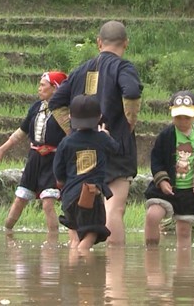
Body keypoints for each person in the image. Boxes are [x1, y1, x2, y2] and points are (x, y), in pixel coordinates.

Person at [48, 20, 143, 247]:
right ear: (125, 44)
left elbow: (56, 102)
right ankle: (114, 275)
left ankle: (79, 263)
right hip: (115, 145)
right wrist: (130, 121)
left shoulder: (81, 69)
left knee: (83, 205)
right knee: (114, 208)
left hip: (81, 150)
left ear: (99, 42)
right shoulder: (123, 67)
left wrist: (72, 131)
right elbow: (131, 91)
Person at [0, 71, 68, 239]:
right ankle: (7, 234)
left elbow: (72, 137)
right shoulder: (36, 107)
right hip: (34, 159)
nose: (39, 89)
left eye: (43, 85)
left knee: (48, 203)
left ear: (55, 88)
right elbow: (21, 132)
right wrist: (3, 149)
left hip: (54, 161)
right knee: (20, 199)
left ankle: (52, 244)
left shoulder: (64, 112)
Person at [144, 91, 194, 249]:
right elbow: (156, 159)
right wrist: (162, 181)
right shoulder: (166, 136)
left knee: (184, 232)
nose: (183, 121)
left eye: (187, 117)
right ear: (171, 114)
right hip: (167, 189)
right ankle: (151, 256)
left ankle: (183, 270)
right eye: (178, 117)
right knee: (152, 216)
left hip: (190, 193)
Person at [54, 95, 120, 250]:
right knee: (92, 234)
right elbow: (116, 150)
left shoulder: (66, 142)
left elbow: (58, 171)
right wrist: (106, 135)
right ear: (99, 117)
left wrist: (63, 183)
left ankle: (73, 270)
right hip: (90, 195)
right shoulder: (102, 139)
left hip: (69, 197)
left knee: (75, 239)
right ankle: (84, 267)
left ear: (70, 116)